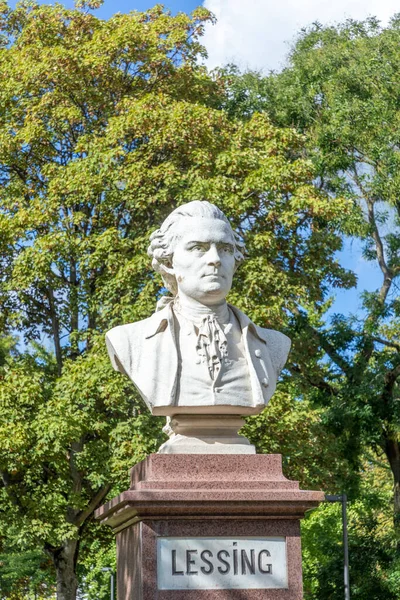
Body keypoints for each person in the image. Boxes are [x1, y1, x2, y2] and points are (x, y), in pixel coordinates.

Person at [105, 201, 290, 416]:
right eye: (197, 248)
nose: (215, 259)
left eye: (225, 249)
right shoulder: (129, 341)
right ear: (168, 261)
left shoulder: (275, 344)